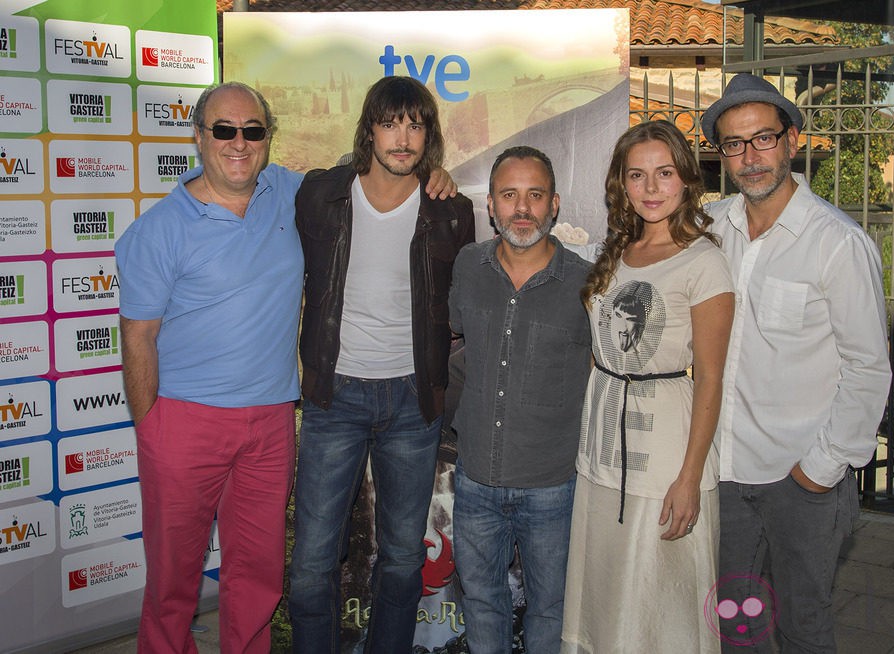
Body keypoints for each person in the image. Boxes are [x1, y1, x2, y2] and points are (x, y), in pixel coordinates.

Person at [701, 73, 891, 652]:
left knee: (803, 627)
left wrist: (820, 468)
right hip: (727, 476)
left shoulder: (836, 241)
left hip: (801, 482)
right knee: (737, 625)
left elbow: (869, 367)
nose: (750, 157)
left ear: (792, 139)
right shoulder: (711, 230)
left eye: (762, 138)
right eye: (734, 144)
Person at [288, 76, 475, 654]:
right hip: (333, 399)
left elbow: (460, 311)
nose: (403, 137)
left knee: (400, 559)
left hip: (412, 403)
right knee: (313, 561)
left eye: (415, 124)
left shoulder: (451, 210)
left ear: (429, 136)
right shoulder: (321, 196)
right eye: (391, 122)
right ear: (369, 129)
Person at [116, 82, 302, 653]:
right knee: (173, 582)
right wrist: (152, 429)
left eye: (253, 130)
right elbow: (138, 339)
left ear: (267, 138)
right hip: (184, 423)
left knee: (257, 575)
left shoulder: (289, 191)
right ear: (199, 136)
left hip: (271, 422)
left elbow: (367, 178)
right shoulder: (158, 231)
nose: (239, 143)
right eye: (224, 129)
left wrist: (435, 178)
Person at [561, 120, 735, 653]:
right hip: (601, 455)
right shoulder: (615, 253)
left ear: (685, 177)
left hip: (664, 459)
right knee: (606, 598)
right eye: (638, 175)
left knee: (661, 609)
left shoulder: (705, 261)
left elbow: (709, 378)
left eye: (664, 173)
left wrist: (689, 478)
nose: (652, 188)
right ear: (621, 183)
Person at [448, 146, 591, 654]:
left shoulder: (587, 282)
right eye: (510, 195)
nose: (522, 208)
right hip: (475, 482)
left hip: (553, 488)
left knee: (550, 610)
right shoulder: (467, 266)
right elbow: (451, 341)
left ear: (555, 204)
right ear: (490, 205)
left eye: (535, 195)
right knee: (482, 604)